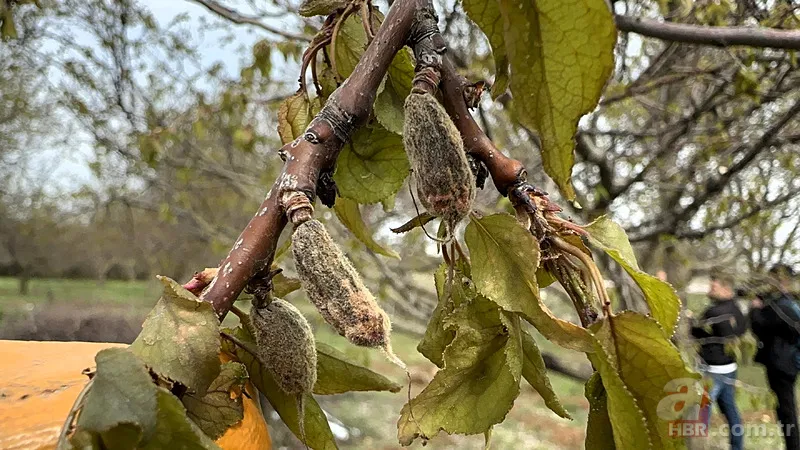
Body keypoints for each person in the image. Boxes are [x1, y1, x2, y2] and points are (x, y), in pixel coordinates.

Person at [690, 269, 746, 450]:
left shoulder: (714, 312)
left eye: (713, 286)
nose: (710, 289)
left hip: (712, 370)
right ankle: (737, 446)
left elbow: (696, 332)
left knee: (701, 411)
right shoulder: (736, 311)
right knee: (730, 410)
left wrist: (690, 320)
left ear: (726, 289)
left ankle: (697, 445)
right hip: (729, 368)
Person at [750, 264, 800, 450]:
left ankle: (793, 446)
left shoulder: (780, 307)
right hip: (788, 361)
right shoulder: (789, 304)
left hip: (781, 364)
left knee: (786, 410)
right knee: (786, 409)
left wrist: (755, 309)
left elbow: (759, 326)